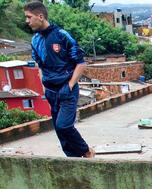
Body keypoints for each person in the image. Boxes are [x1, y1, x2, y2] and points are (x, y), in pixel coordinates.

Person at [24, 1, 94, 158]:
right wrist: (44, 88)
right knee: (59, 130)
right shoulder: (35, 40)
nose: (27, 21)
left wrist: (70, 85)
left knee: (64, 126)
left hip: (66, 88)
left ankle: (87, 151)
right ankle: (72, 160)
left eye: (29, 17)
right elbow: (40, 65)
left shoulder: (62, 36)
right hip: (50, 90)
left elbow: (81, 63)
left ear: (40, 16)